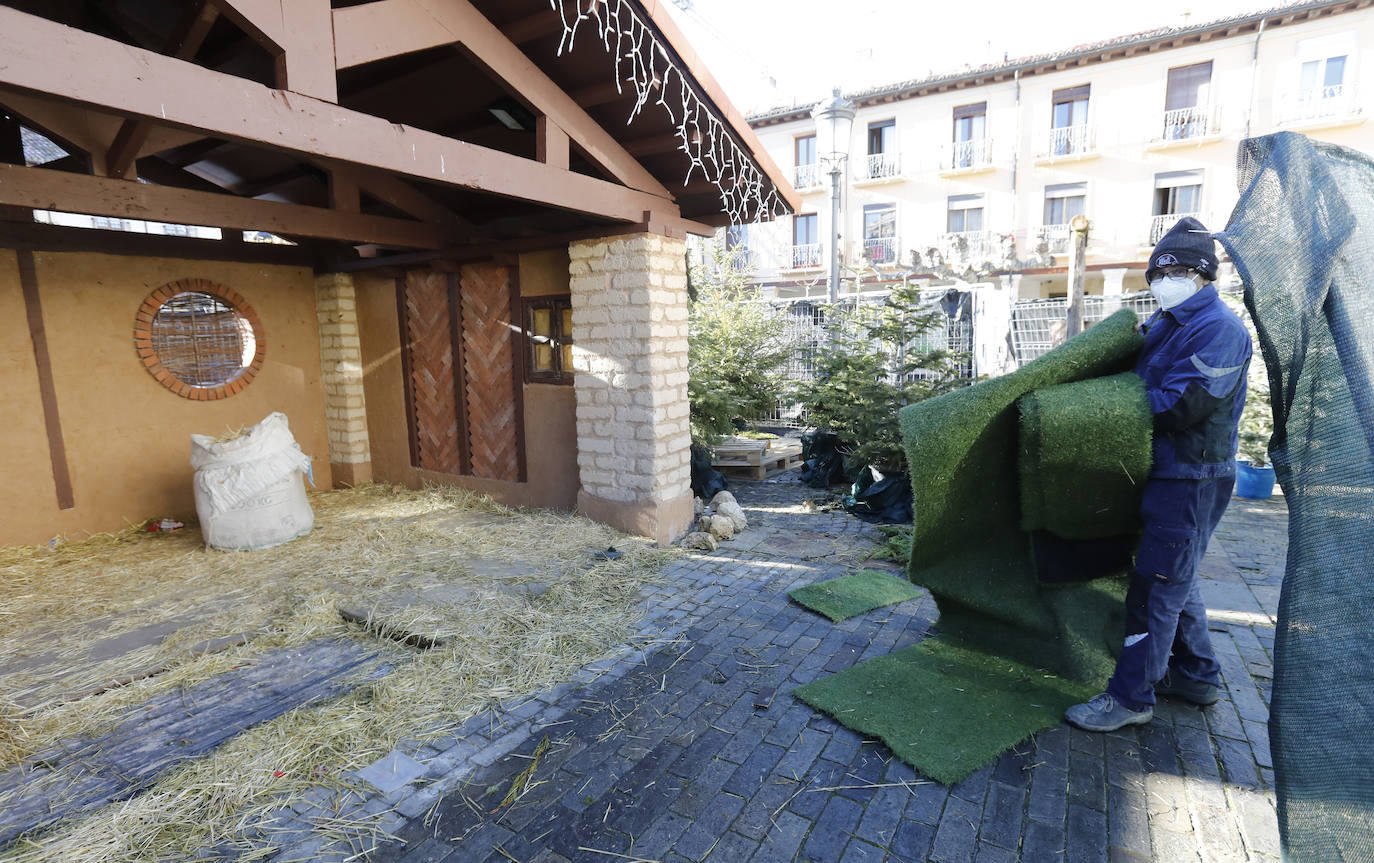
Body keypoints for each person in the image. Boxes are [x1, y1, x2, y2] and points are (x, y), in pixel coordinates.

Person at [1065, 217, 1254, 732]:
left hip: (1191, 478)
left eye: (1176, 269)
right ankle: (1194, 676)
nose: (1164, 277)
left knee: (1156, 587)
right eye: (1158, 269)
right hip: (1167, 473)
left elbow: (1180, 406)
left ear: (1202, 275)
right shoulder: (1167, 322)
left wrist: (1098, 408)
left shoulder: (1219, 330)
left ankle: (1130, 699)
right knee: (1178, 578)